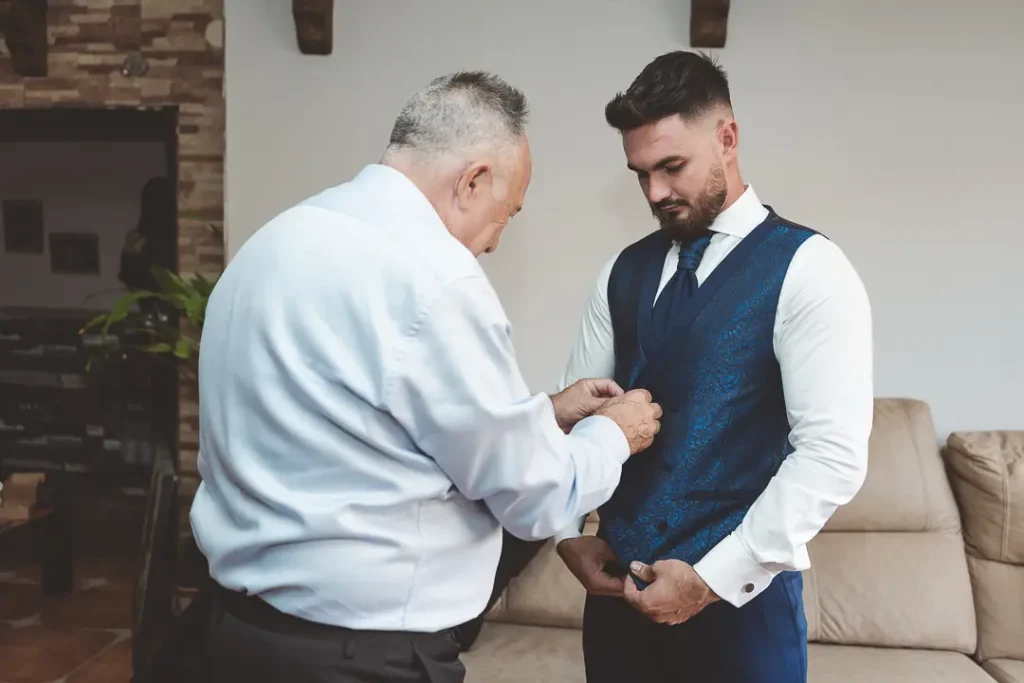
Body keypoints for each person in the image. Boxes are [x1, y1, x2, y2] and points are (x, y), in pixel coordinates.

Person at [187, 71, 662, 683]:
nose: (493, 244)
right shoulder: (434, 280)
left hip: (234, 635)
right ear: (472, 181)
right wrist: (613, 436)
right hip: (356, 657)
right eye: (506, 214)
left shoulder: (274, 242)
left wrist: (543, 414)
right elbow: (534, 498)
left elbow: (364, 428)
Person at [554, 51, 874, 682]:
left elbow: (833, 455)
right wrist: (569, 533)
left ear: (727, 138)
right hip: (619, 606)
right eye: (640, 173)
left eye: (672, 166)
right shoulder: (619, 273)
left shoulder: (810, 270)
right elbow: (577, 418)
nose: (654, 193)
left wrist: (712, 579)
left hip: (741, 614)